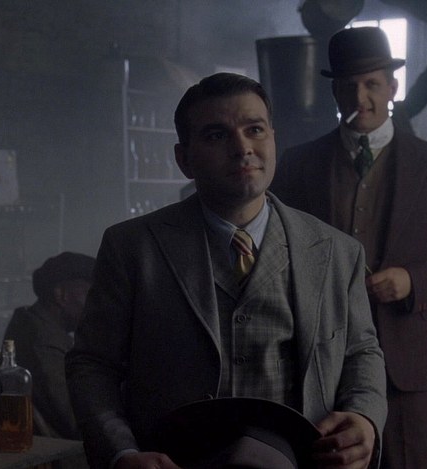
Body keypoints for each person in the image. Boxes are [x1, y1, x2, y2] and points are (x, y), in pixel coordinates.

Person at [66, 72, 388, 469]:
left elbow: (361, 352)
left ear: (273, 138)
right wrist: (122, 454)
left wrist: (365, 417)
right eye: (217, 135)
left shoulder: (338, 252)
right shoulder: (132, 247)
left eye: (255, 130)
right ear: (184, 159)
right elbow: (92, 365)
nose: (242, 148)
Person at [271, 27, 427, 469]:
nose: (360, 97)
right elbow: (278, 256)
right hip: (321, 362)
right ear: (335, 92)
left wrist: (412, 281)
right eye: (348, 86)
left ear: (392, 87)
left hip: (410, 367)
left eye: (371, 84)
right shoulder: (298, 164)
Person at [3, 251, 95, 441]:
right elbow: (77, 421)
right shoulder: (43, 344)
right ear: (61, 295)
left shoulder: (38, 331)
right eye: (90, 295)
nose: (95, 306)